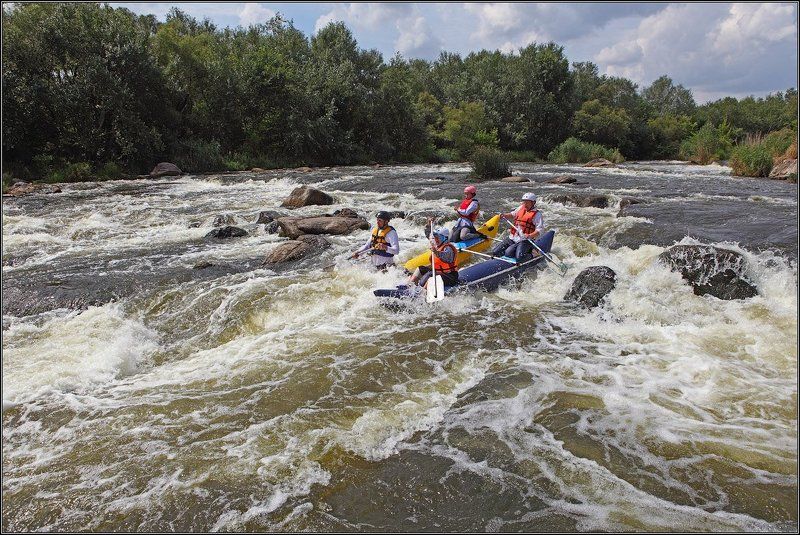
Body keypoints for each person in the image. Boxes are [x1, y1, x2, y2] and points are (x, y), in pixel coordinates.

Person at [489, 192, 543, 260]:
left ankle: (533, 254)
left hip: (525, 240)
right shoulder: (521, 208)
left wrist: (530, 235)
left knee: (518, 257)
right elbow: (513, 214)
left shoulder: (537, 215)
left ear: (533, 203)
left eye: (527, 202)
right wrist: (504, 215)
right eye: (524, 202)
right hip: (513, 237)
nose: (525, 204)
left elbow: (539, 230)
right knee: (495, 252)